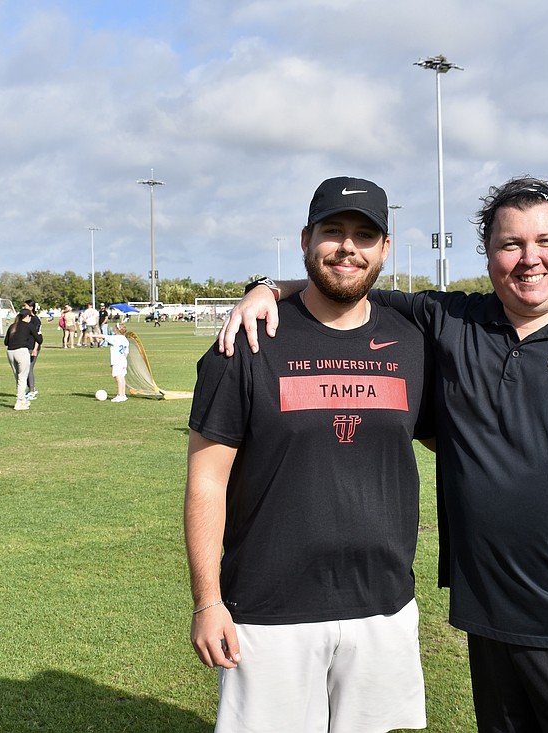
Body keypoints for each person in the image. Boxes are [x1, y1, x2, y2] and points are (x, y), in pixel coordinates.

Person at [223, 176, 548, 733]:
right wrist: (266, 288)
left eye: (546, 242)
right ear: (489, 254)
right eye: (510, 244)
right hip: (490, 617)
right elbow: (347, 281)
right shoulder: (453, 321)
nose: (529, 259)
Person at [185, 176, 431, 732]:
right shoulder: (246, 341)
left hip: (382, 605)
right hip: (270, 610)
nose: (348, 247)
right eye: (333, 231)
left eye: (365, 235)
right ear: (306, 239)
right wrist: (207, 601)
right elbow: (206, 480)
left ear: (385, 249)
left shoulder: (414, 342)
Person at [3, 307, 42, 411]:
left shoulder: (12, 326)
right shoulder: (29, 326)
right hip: (21, 352)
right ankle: (19, 402)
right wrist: (39, 334)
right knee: (22, 378)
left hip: (10, 352)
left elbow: (6, 342)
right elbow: (39, 340)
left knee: (18, 378)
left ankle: (23, 399)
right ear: (27, 316)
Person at [90, 323, 131, 401]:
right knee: (122, 377)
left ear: (117, 330)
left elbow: (103, 336)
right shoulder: (125, 340)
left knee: (118, 377)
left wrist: (92, 335)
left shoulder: (115, 338)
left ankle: (120, 395)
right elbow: (126, 353)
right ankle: (123, 394)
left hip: (117, 361)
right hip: (123, 361)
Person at [22, 299, 42, 400]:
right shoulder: (25, 319)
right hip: (25, 346)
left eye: (25, 306)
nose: (23, 308)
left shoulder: (35, 320)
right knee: (24, 369)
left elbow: (38, 336)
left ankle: (32, 391)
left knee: (29, 368)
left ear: (31, 307)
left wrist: (35, 349)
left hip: (32, 347)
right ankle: (31, 389)